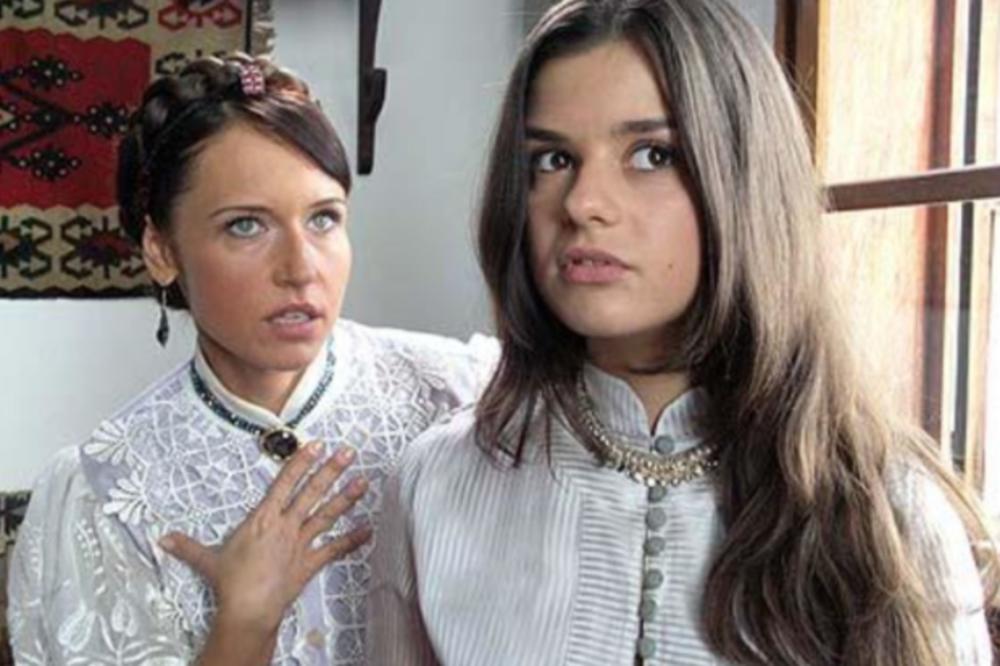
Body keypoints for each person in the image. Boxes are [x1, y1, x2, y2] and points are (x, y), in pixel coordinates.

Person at [368, 1, 997, 664]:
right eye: (552, 160)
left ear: (745, 178)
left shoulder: (896, 518)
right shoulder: (434, 486)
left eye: (652, 154)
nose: (582, 203)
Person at [6, 54, 495, 666]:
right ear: (161, 251)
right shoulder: (107, 495)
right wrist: (244, 623)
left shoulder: (462, 396)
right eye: (246, 226)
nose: (301, 268)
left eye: (323, 218)